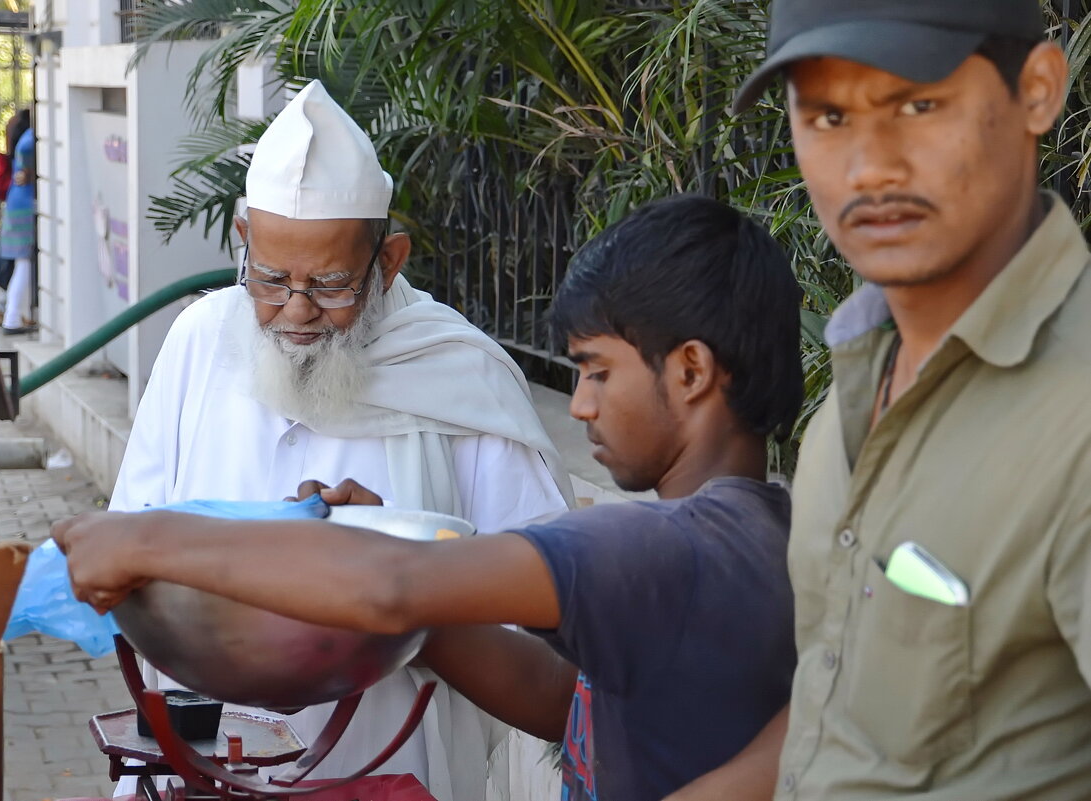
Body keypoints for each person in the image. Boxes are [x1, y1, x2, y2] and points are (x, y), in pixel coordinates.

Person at [55, 192, 804, 801]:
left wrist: (147, 540)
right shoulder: (767, 534)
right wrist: (408, 592)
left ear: (691, 371)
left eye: (597, 371)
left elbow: (388, 589)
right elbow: (559, 702)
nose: (576, 406)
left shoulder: (659, 548)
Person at [106, 79, 574, 801]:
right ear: (242, 243)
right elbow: (133, 541)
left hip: (387, 766)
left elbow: (546, 632)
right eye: (269, 278)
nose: (295, 310)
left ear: (386, 262)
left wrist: (400, 577)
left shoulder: (462, 376)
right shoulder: (201, 342)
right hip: (205, 760)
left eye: (329, 284)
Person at [669, 1, 1091, 800]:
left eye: (917, 105)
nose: (867, 168)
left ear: (1036, 90)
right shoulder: (857, 386)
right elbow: (844, 712)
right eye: (827, 117)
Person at [0, 109, 35, 334]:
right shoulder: (31, 140)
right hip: (25, 204)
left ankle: (12, 312)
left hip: (16, 201)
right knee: (24, 262)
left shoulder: (22, 138)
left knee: (22, 262)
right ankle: (11, 317)